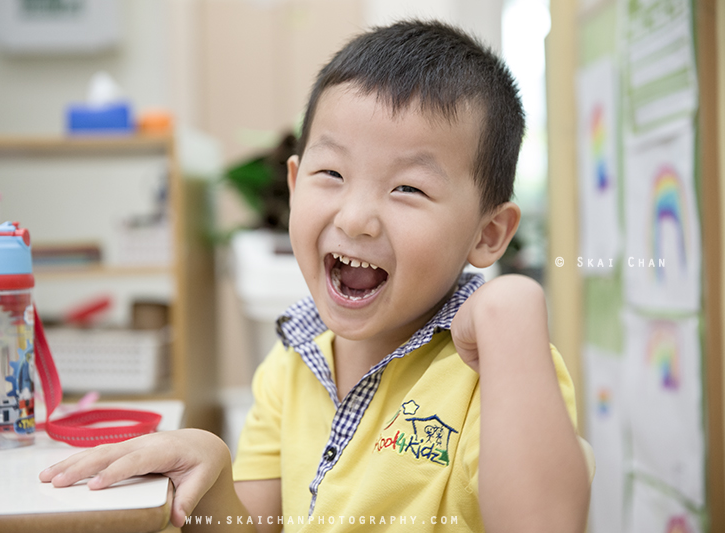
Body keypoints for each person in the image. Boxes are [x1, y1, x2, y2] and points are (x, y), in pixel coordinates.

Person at [40, 20, 590, 532]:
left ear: (489, 235)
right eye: (331, 173)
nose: (354, 217)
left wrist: (511, 310)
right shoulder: (289, 365)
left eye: (409, 189)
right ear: (296, 182)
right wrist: (211, 470)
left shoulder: (500, 368)